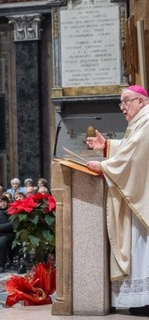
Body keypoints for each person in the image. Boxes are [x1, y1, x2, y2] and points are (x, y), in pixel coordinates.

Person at [86, 85, 149, 315]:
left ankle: (145, 302)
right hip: (142, 195)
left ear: (141, 101)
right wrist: (108, 146)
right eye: (120, 103)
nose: (122, 107)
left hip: (144, 199)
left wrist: (103, 165)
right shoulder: (140, 122)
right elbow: (131, 149)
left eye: (126, 101)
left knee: (143, 248)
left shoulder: (147, 121)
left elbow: (133, 155)